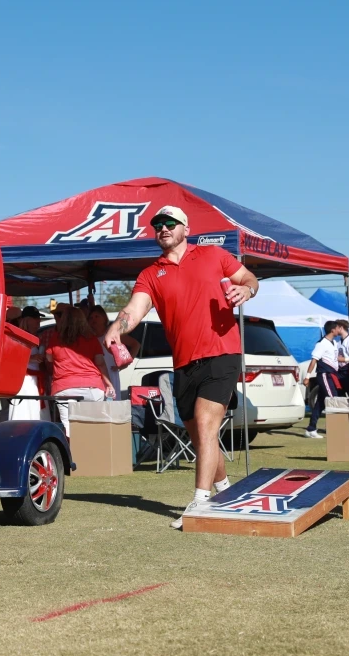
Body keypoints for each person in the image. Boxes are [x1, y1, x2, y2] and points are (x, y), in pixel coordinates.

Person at [105, 205, 258, 529]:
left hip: (222, 353)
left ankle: (200, 503)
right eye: (157, 224)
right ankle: (224, 492)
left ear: (185, 229)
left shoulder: (213, 254)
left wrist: (246, 289)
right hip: (184, 364)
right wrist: (118, 326)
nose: (163, 228)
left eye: (170, 223)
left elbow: (247, 277)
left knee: (205, 424)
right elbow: (135, 309)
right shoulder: (151, 274)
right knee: (202, 436)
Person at [46, 306, 114, 437]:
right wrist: (109, 383)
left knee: (68, 428)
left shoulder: (56, 338)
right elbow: (100, 363)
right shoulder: (91, 338)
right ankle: (92, 454)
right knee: (93, 427)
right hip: (92, 387)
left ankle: (73, 455)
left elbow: (49, 358)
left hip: (64, 388)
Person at [88, 304, 141, 400]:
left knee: (112, 406)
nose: (93, 320)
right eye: (91, 318)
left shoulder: (111, 333)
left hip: (111, 374)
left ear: (104, 318)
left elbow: (136, 345)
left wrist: (126, 363)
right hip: (96, 377)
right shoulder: (90, 338)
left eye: (97, 316)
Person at [8, 307, 49, 422]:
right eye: (35, 318)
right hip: (24, 382)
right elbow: (11, 358)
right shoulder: (18, 336)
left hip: (36, 382)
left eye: (39, 319)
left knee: (36, 412)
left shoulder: (36, 338)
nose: (38, 321)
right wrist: (31, 358)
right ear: (27, 320)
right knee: (24, 413)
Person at [303, 321, 342, 438]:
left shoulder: (334, 343)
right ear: (332, 330)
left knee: (320, 403)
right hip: (325, 374)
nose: (339, 330)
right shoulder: (321, 344)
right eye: (338, 328)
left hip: (333, 374)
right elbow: (314, 360)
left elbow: (334, 358)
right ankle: (335, 428)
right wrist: (307, 377)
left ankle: (311, 429)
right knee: (333, 399)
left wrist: (348, 359)